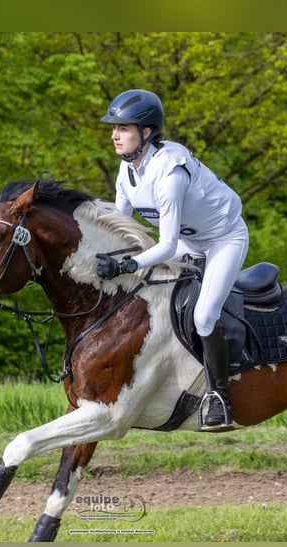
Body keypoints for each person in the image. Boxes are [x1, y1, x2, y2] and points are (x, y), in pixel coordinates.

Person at [96, 88, 249, 431]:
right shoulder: (127, 171)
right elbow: (120, 231)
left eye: (122, 128)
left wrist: (126, 265)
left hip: (223, 240)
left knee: (204, 315)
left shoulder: (170, 172)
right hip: (187, 241)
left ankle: (219, 398)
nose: (114, 135)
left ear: (146, 133)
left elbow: (163, 247)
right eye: (113, 128)